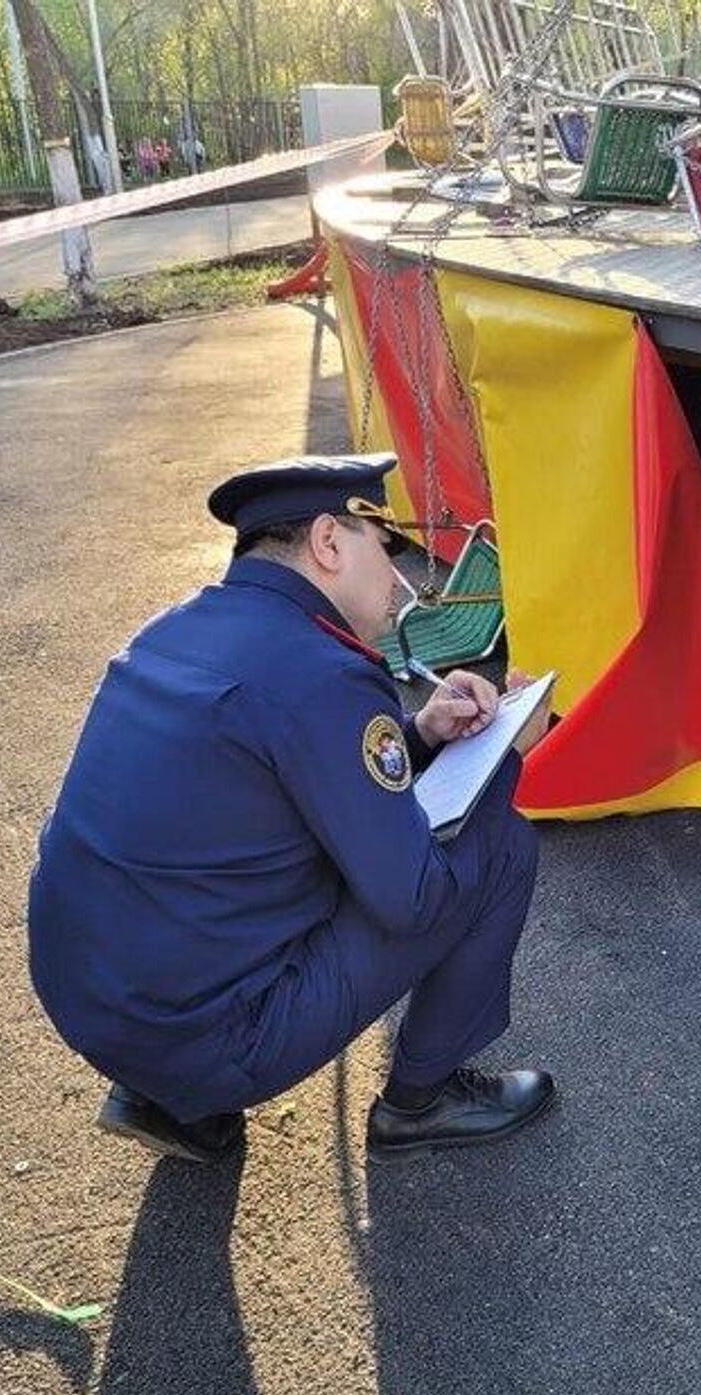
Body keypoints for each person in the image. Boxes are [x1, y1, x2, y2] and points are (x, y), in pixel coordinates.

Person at [28, 455, 555, 1164]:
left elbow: (289, 773)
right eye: (384, 547)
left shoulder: (174, 627)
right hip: (201, 1035)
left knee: (236, 861)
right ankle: (421, 1101)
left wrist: (423, 735)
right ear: (330, 542)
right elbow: (417, 899)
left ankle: (170, 1101)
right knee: (499, 850)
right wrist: (508, 751)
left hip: (90, 1003)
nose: (398, 579)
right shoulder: (325, 670)